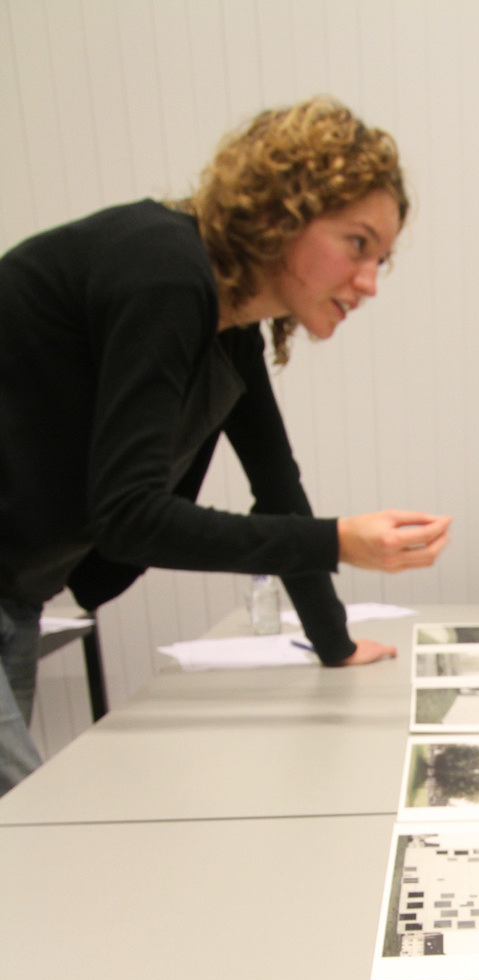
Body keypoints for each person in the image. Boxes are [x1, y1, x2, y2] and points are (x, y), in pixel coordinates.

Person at [0, 97, 451, 796]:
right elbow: (128, 515)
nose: (368, 283)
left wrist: (333, 641)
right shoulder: (164, 271)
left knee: (19, 826)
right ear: (284, 212)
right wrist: (336, 541)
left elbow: (276, 482)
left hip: (17, 591)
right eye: (357, 244)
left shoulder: (229, 324)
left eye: (380, 260)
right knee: (26, 830)